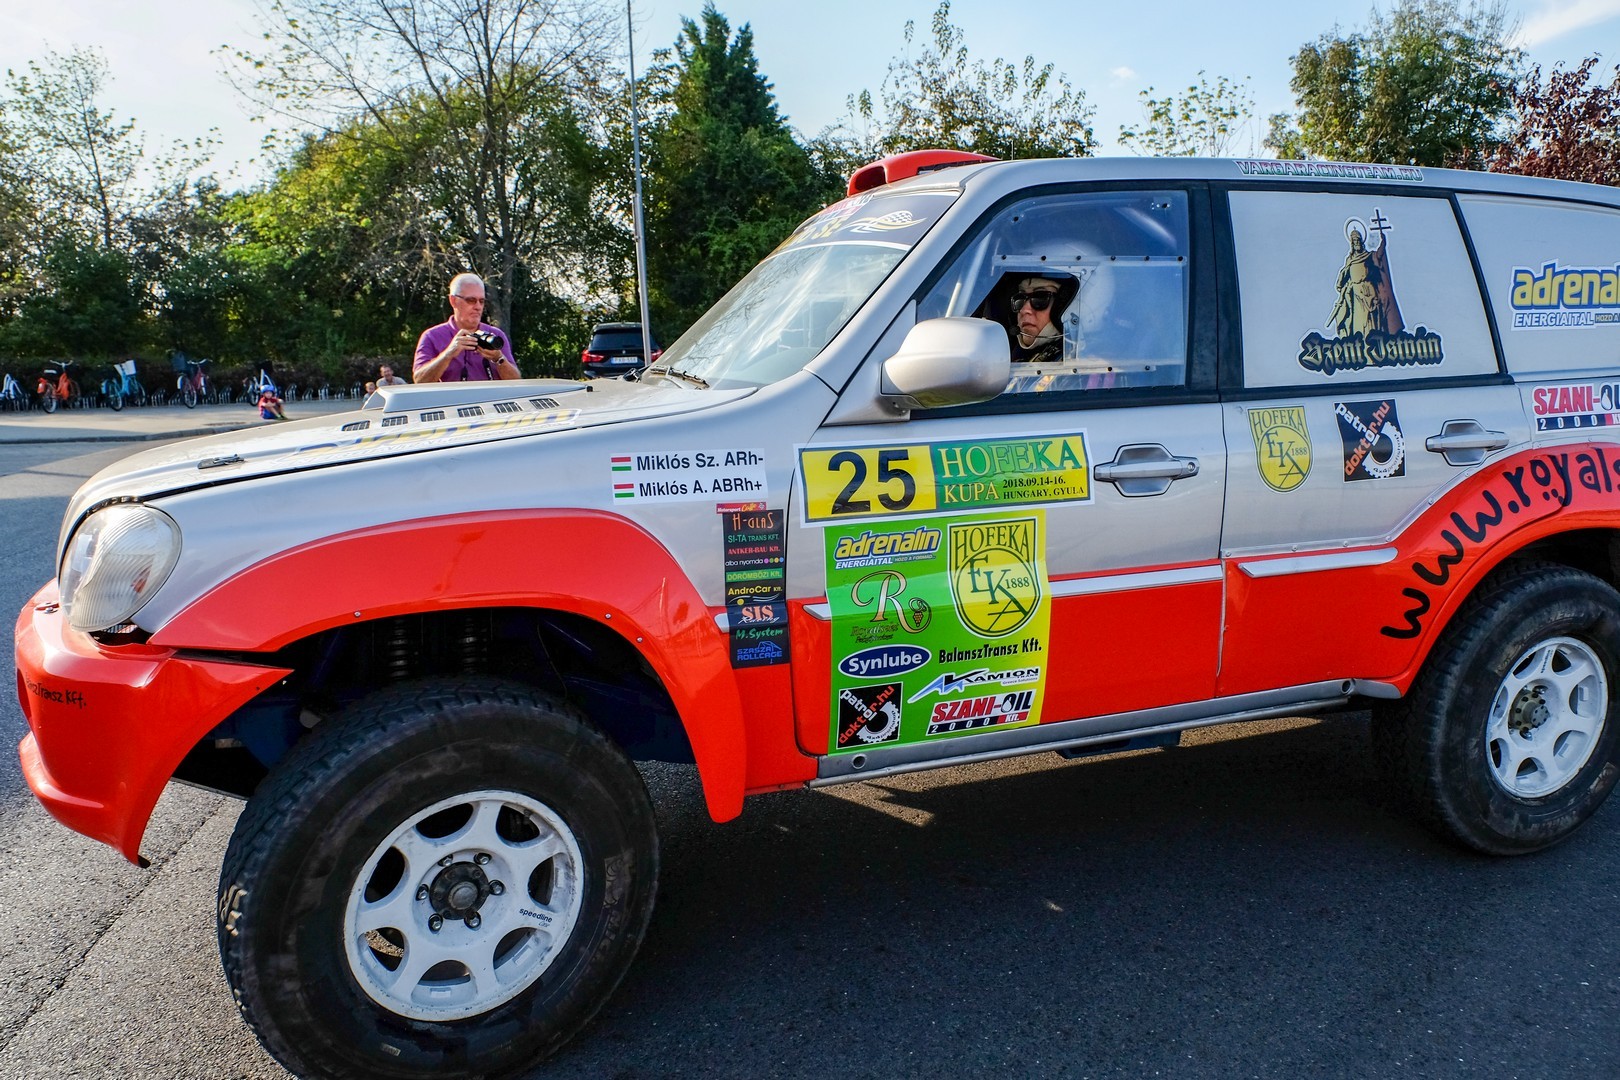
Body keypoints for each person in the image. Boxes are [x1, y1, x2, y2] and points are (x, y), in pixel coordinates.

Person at [412, 273, 520, 382]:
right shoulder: (432, 336)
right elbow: (419, 380)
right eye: (471, 300)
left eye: (481, 301)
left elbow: (516, 382)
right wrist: (448, 354)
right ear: (453, 301)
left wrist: (499, 359)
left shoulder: (496, 335)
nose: (478, 307)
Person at [1007, 275, 1067, 363]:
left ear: (1063, 306)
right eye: (1020, 298)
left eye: (1040, 298)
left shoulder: (1080, 361)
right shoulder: (1009, 358)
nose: (1024, 310)